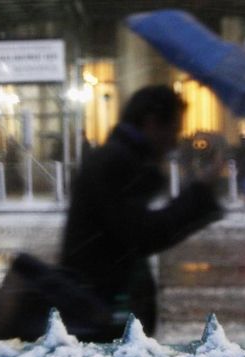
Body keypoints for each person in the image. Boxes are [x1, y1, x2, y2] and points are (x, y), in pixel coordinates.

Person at [59, 85, 224, 339]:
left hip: (102, 308)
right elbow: (144, 234)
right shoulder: (115, 163)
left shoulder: (117, 159)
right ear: (151, 123)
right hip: (102, 313)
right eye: (173, 131)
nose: (174, 142)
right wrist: (200, 191)